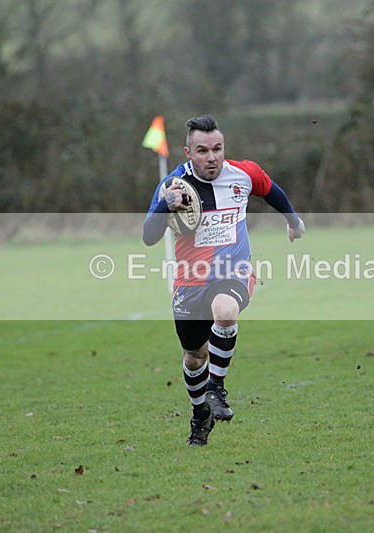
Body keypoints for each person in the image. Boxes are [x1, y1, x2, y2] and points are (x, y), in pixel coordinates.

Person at [143, 115, 306, 445]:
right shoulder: (173, 186)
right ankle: (200, 414)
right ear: (187, 152)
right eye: (202, 150)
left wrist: (293, 220)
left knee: (225, 311)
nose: (212, 157)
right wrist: (164, 206)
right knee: (193, 357)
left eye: (217, 148)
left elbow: (272, 191)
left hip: (234, 270)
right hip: (190, 282)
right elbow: (148, 237)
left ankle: (216, 387)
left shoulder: (243, 173)